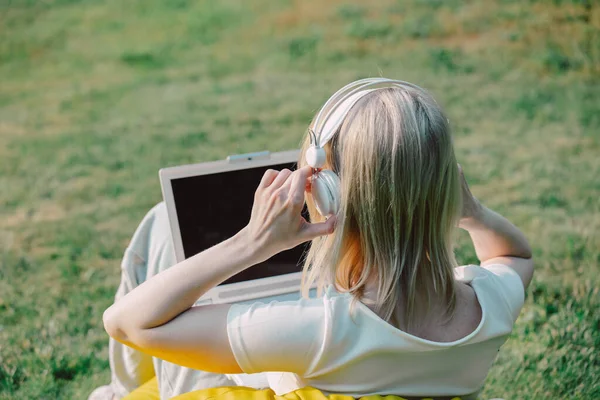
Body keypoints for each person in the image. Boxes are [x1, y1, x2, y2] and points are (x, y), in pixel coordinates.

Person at [90, 79, 533, 400]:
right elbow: (514, 255)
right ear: (445, 193)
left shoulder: (319, 330)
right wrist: (474, 214)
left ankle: (118, 394)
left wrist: (253, 243)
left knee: (163, 226)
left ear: (328, 193)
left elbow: (128, 323)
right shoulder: (490, 306)